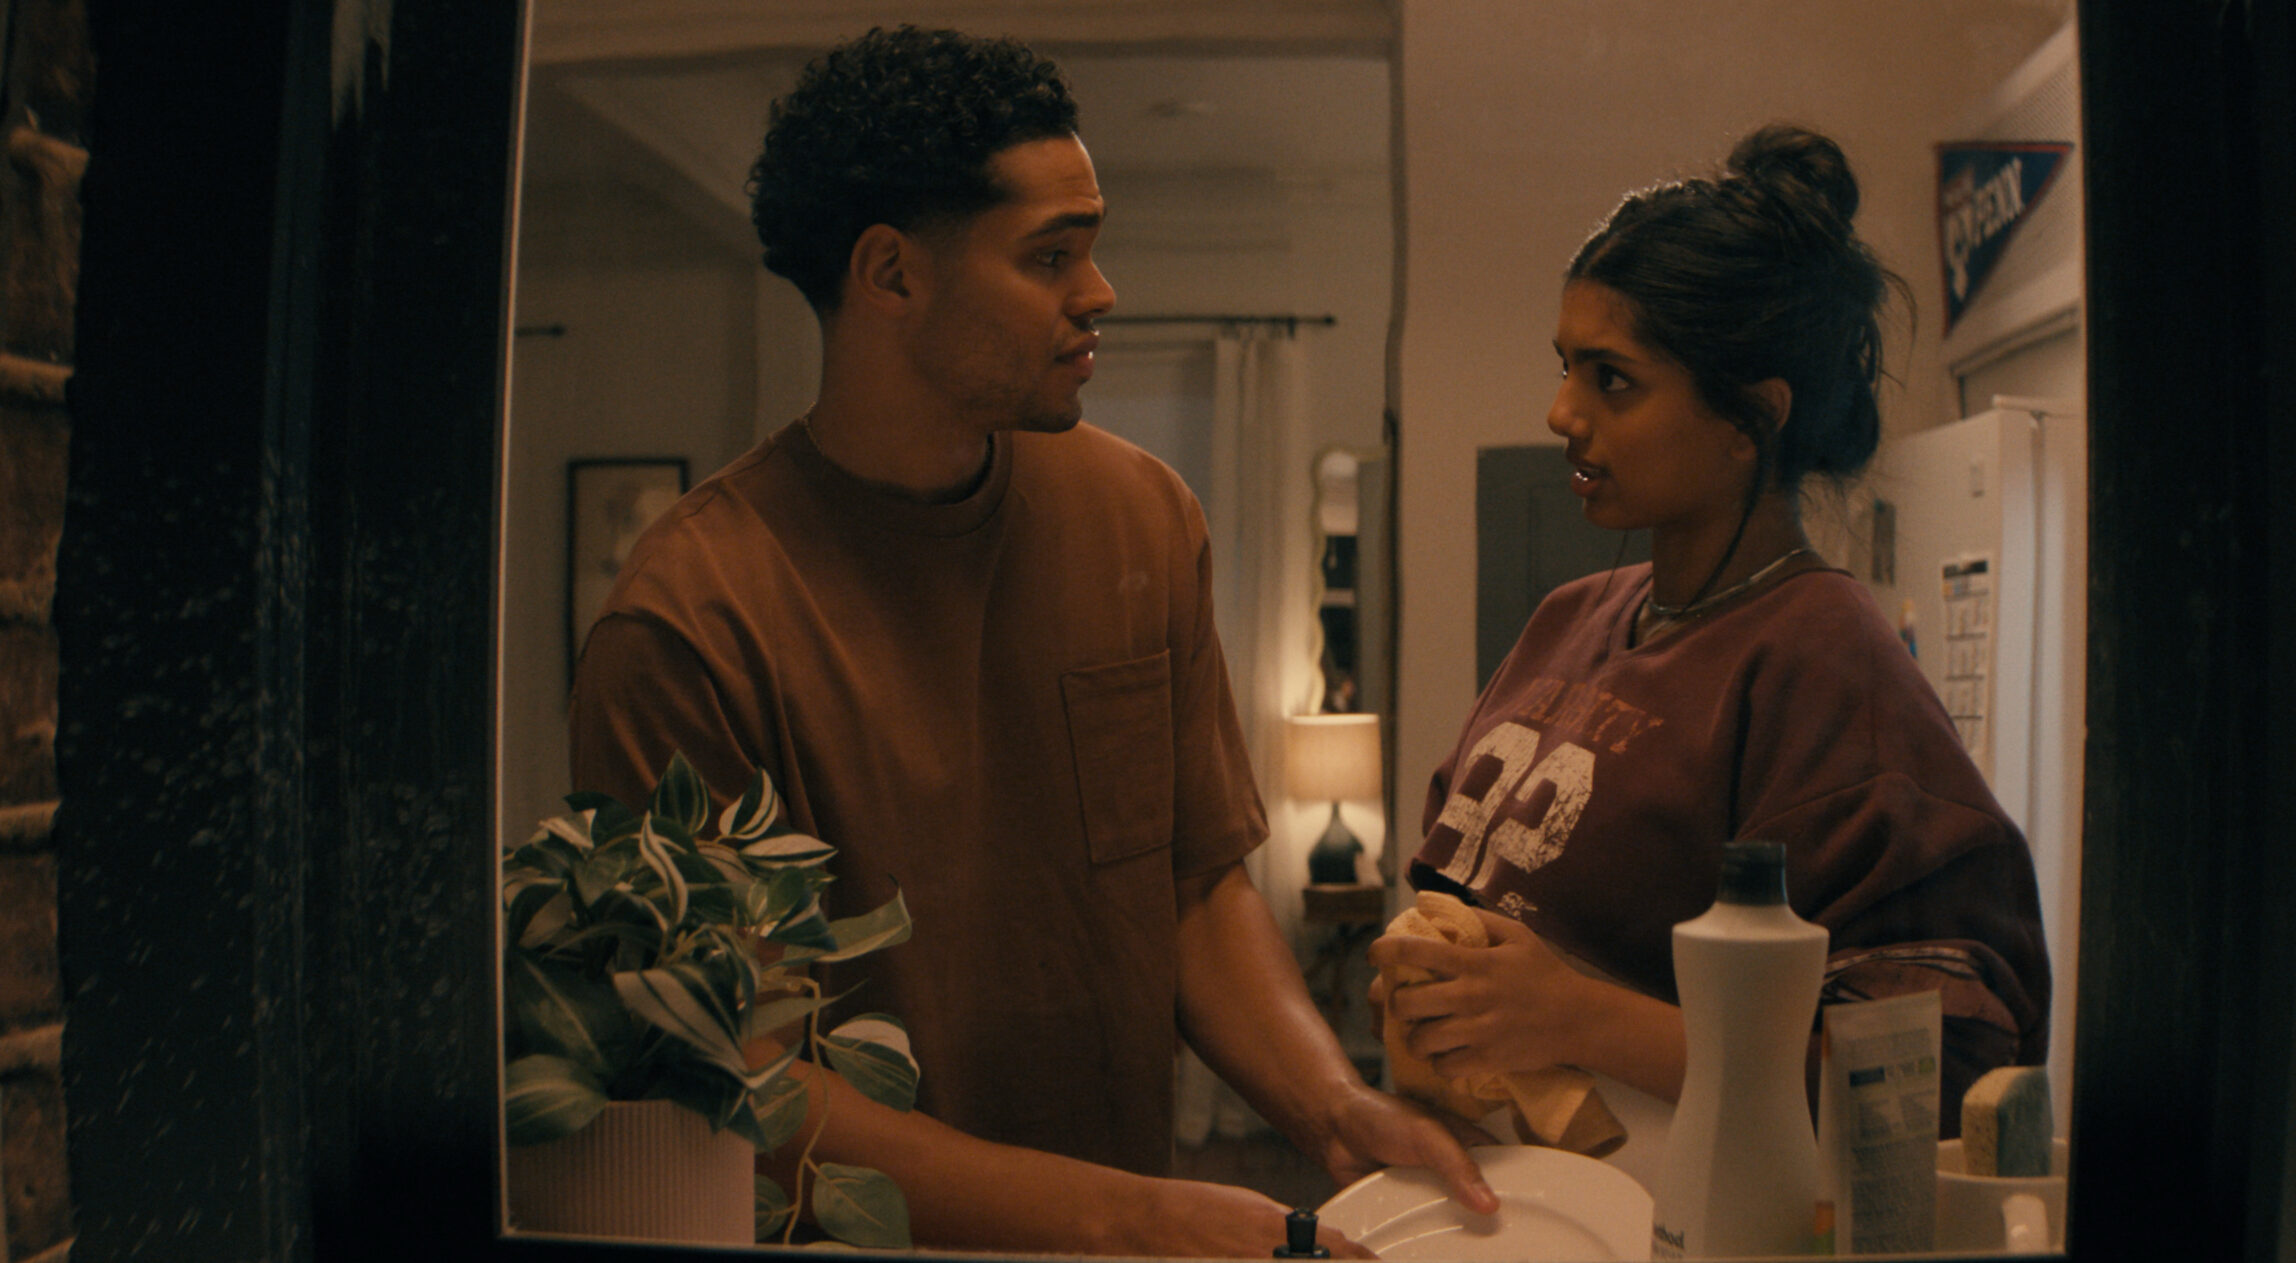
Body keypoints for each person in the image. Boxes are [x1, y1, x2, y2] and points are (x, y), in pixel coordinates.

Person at [566, 25, 1491, 1256]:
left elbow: (1194, 890)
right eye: (1051, 257)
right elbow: (747, 1084)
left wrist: (1332, 1104)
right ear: (891, 275)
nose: (1099, 293)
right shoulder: (691, 620)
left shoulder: (1139, 516)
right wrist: (1131, 1217)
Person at [1370, 124, 2052, 1170]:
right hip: (1505, 1201)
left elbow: (1930, 1081)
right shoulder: (1567, 619)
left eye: (1613, 380)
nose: (1561, 413)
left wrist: (1579, 1019)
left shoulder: (1827, 664)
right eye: (1565, 368)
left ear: (1751, 420)